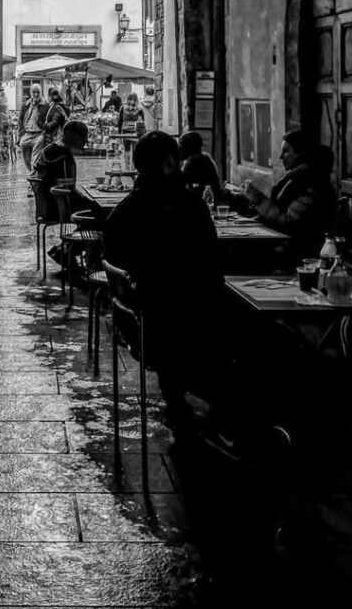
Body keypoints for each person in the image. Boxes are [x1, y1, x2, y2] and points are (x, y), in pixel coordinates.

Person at [102, 131, 224, 429]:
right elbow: (211, 261)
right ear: (170, 163)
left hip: (142, 319)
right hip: (186, 320)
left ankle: (181, 397)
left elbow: (115, 253)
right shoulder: (189, 207)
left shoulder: (124, 211)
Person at [240, 130, 336, 257]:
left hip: (299, 252)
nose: (280, 156)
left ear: (301, 152)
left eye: (286, 151)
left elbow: (288, 223)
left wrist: (259, 200)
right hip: (288, 245)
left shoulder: (311, 183)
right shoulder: (295, 178)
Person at [31, 119, 90, 222]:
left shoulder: (47, 150)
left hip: (44, 208)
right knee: (101, 211)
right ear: (77, 139)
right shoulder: (65, 157)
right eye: (83, 141)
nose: (84, 145)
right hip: (59, 208)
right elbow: (69, 191)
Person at [179, 130, 221, 196]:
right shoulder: (205, 157)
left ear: (189, 147)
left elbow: (179, 183)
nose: (179, 148)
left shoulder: (193, 161)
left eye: (181, 145)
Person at [18, 83, 46, 174]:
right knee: (22, 145)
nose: (36, 94)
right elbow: (20, 120)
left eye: (38, 92)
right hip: (27, 133)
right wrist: (21, 132)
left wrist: (45, 129)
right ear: (30, 93)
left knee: (36, 154)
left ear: (41, 92)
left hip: (39, 133)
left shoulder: (45, 104)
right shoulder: (25, 105)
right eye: (34, 92)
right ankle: (31, 172)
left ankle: (34, 175)